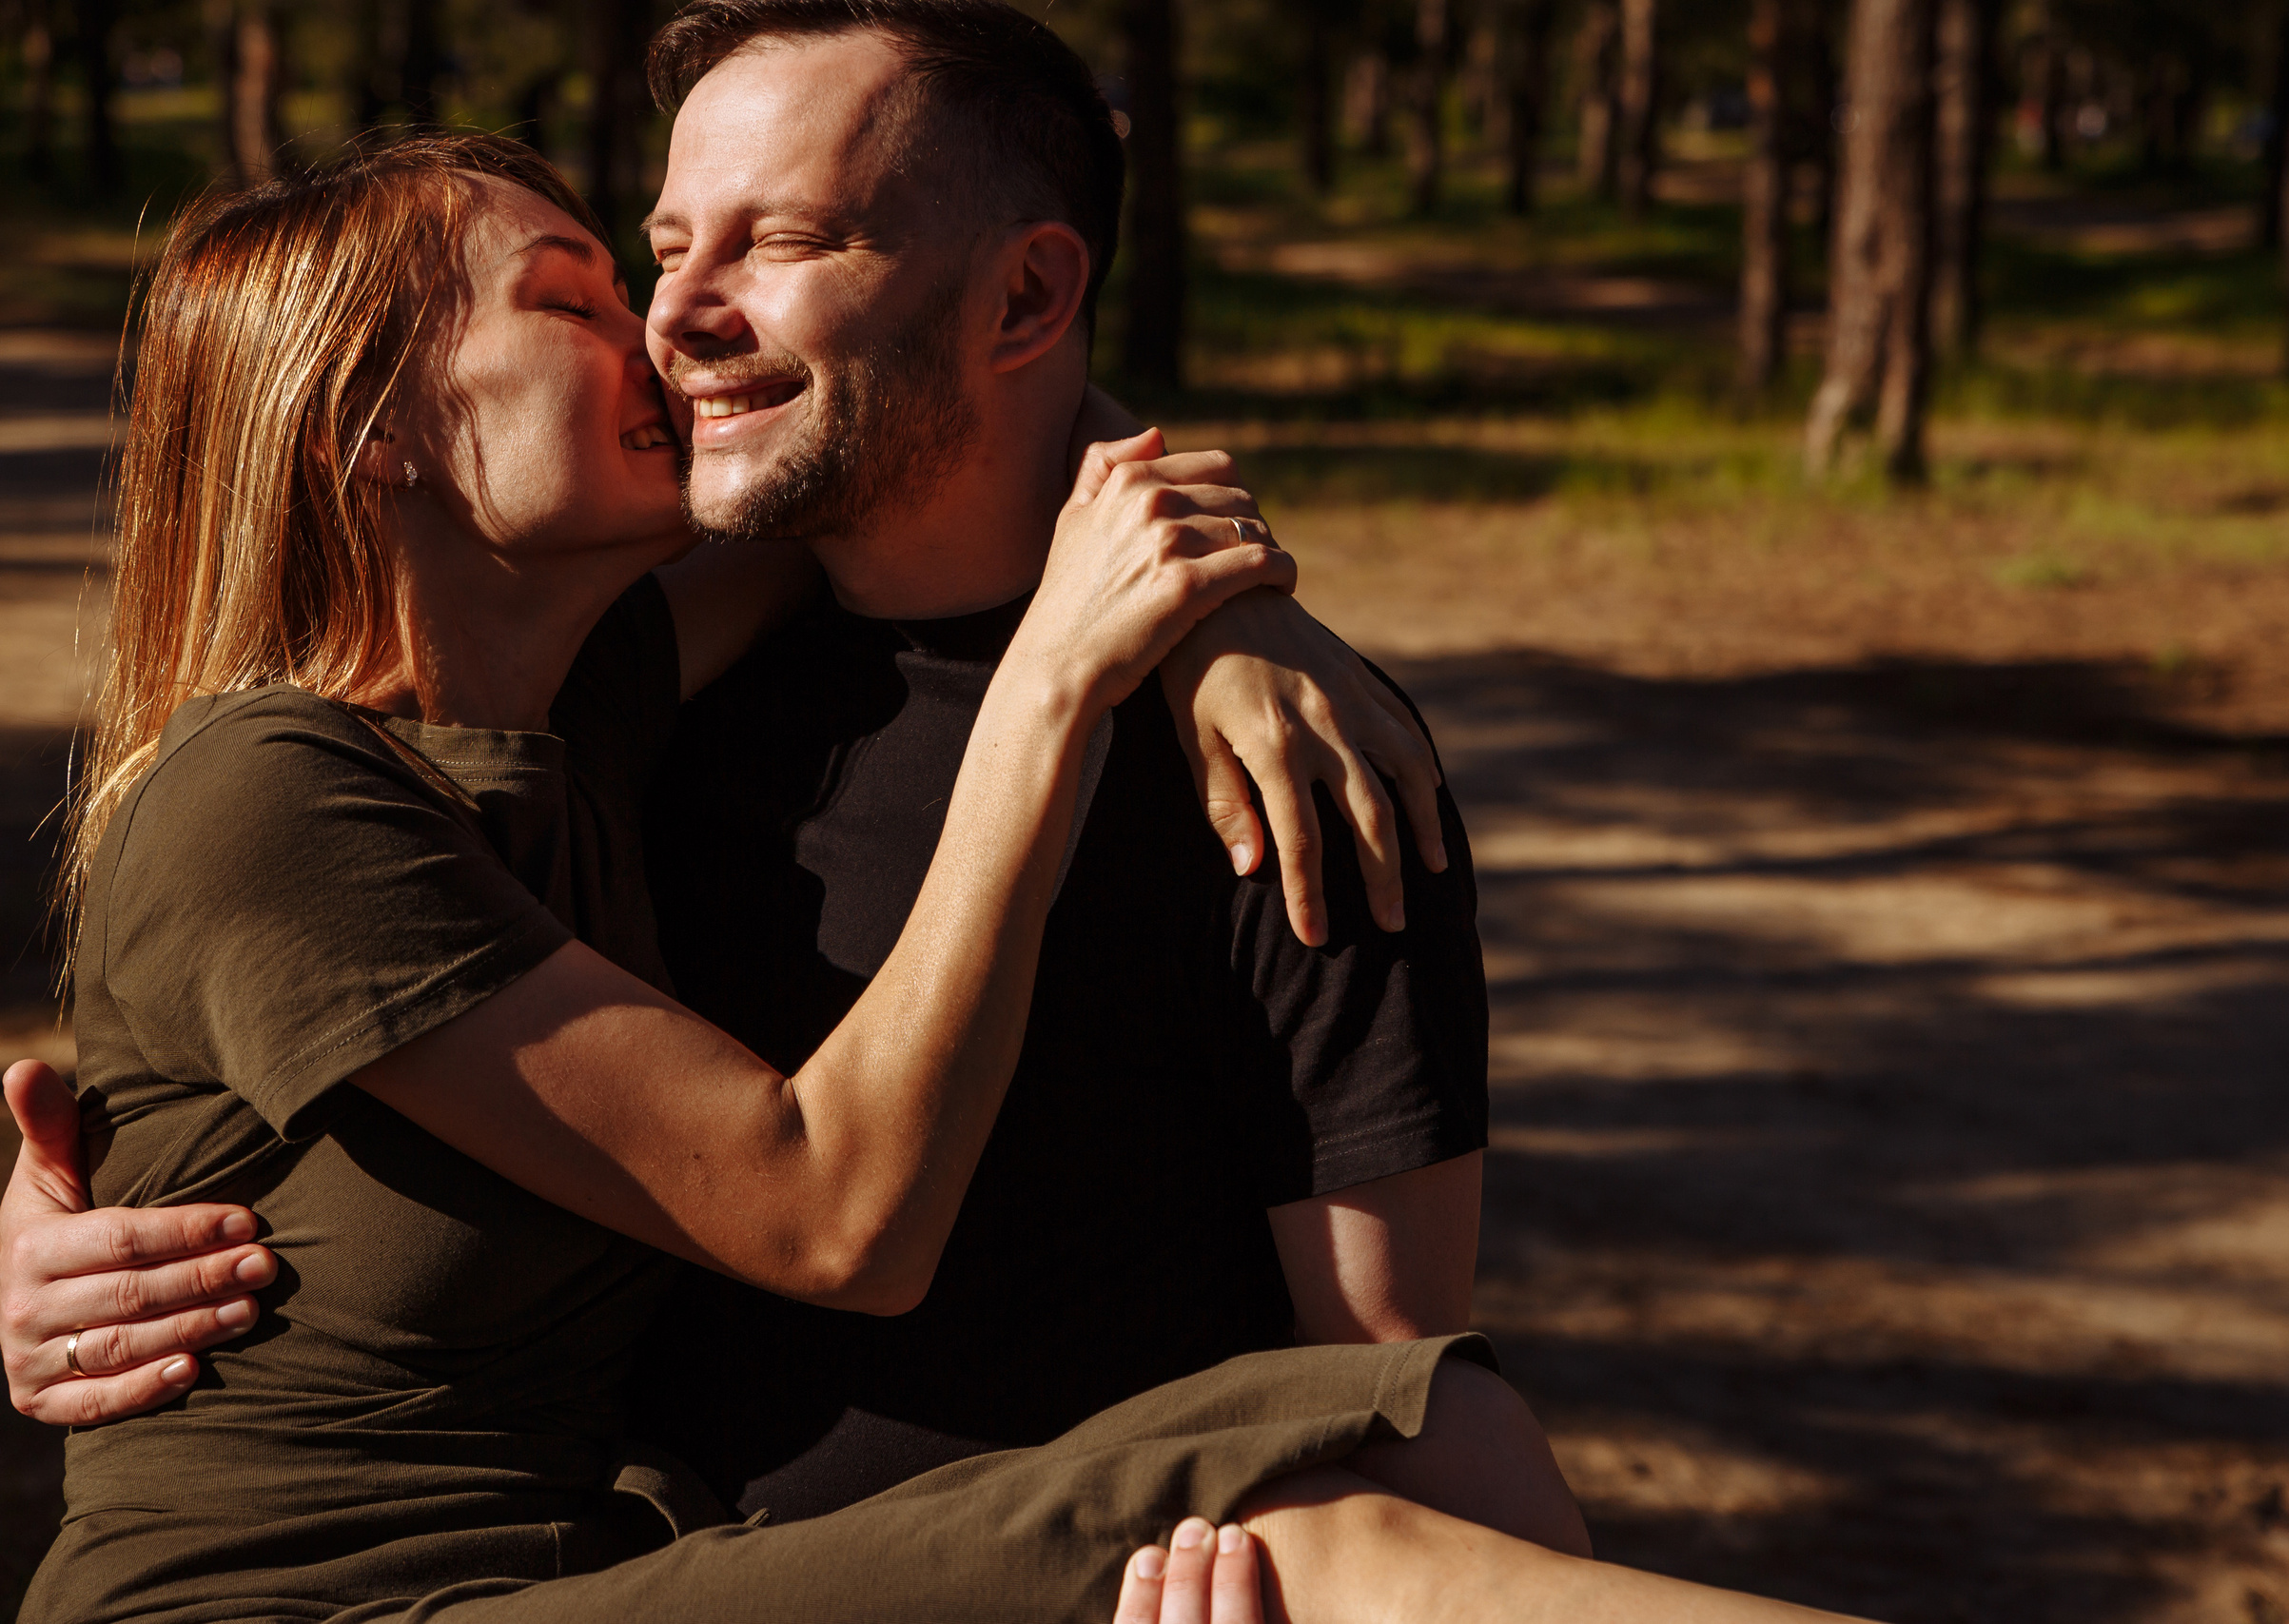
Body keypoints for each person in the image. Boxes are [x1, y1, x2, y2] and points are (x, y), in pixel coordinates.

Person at [0, 109, 1880, 1624]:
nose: (665, 329)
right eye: (578, 299)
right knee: (1342, 1559)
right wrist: (1062, 677)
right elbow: (833, 1212)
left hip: (571, 1565)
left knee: (1435, 1429)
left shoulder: (579, 709)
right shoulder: (274, 790)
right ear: (374, 429)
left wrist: (1220, 615)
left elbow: (959, 398)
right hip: (325, 1604)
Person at [10, 0, 1492, 1518]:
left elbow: (1388, 1375)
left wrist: (1221, 611)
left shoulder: (1273, 756)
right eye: (655, 256)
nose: (673, 319)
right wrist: (63, 1204)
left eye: (773, 243)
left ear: (1031, 293)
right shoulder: (581, 718)